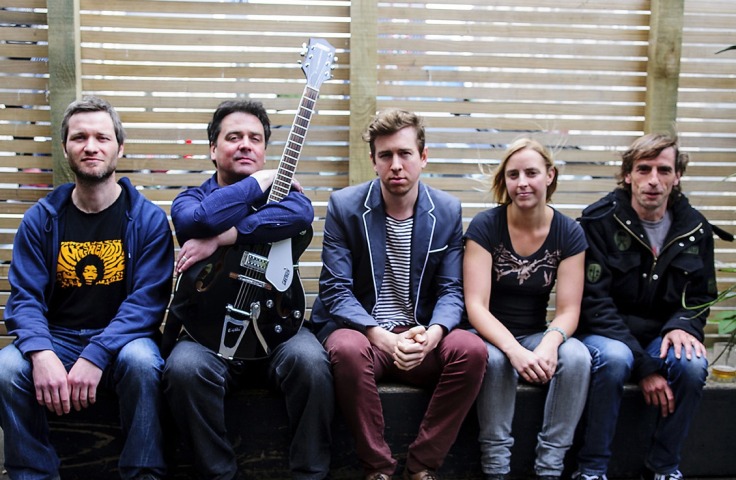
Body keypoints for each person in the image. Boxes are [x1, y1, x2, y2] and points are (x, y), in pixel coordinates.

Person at [0, 96, 173, 480]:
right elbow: (24, 298)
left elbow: (147, 304)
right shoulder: (41, 219)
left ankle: (143, 473)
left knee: (143, 363)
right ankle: (32, 474)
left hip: (124, 341)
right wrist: (41, 351)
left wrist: (96, 353)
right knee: (6, 368)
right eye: (79, 138)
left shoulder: (147, 220)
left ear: (119, 148)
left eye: (102, 137)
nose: (90, 146)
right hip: (58, 338)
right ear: (65, 148)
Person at [310, 108, 488, 480]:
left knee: (472, 350)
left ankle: (421, 465)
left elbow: (451, 290)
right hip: (367, 335)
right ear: (373, 160)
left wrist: (433, 335)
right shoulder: (344, 206)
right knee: (344, 347)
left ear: (423, 157)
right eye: (385, 155)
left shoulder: (447, 210)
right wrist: (382, 337)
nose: (395, 165)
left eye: (405, 153)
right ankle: (378, 468)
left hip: (421, 336)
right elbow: (336, 290)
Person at [161, 100, 333, 480]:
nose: (245, 145)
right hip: (206, 333)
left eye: (255, 139)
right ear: (213, 149)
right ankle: (219, 475)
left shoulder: (287, 197)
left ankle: (310, 474)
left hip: (278, 327)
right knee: (184, 369)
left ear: (265, 150)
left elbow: (301, 214)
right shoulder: (191, 199)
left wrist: (224, 237)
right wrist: (259, 181)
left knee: (312, 363)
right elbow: (200, 219)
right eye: (234, 137)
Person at [573, 133, 716, 480]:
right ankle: (592, 468)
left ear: (677, 176)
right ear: (628, 174)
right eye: (643, 169)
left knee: (692, 365)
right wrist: (646, 368)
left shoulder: (695, 229)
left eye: (664, 170)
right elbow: (594, 302)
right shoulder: (599, 222)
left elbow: (701, 296)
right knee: (615, 360)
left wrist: (682, 325)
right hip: (607, 332)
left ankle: (664, 466)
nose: (653, 180)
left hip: (661, 334)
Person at [463, 138, 591, 480]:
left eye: (531, 173)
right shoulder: (485, 226)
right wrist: (514, 350)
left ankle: (550, 467)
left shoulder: (569, 233)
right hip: (487, 332)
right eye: (513, 175)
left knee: (577, 357)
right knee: (495, 360)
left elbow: (569, 310)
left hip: (534, 332)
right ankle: (496, 467)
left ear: (550, 175)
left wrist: (549, 343)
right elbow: (476, 306)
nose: (522, 182)